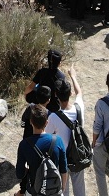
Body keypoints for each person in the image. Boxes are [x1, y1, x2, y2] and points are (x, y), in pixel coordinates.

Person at [45, 66, 86, 196]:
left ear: (56, 95)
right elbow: (79, 93)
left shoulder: (53, 117)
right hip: (78, 154)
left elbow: (47, 137)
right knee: (80, 189)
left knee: (63, 190)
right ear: (70, 93)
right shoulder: (79, 108)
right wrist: (73, 76)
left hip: (62, 159)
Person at [15, 104, 68, 196]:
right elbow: (64, 169)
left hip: (34, 191)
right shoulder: (58, 140)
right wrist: (62, 188)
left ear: (31, 122)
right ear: (46, 123)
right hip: (54, 190)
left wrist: (28, 169)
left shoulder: (24, 145)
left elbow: (19, 174)